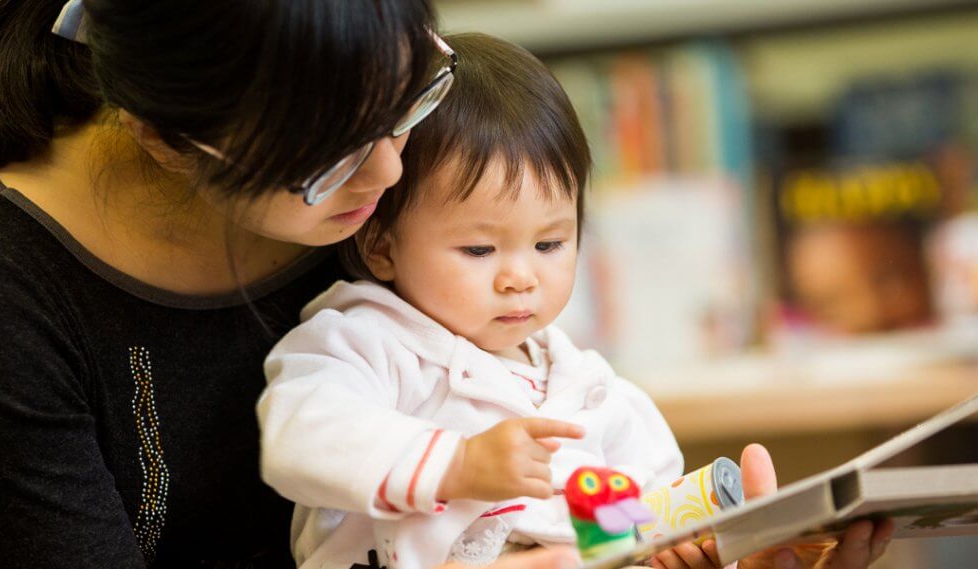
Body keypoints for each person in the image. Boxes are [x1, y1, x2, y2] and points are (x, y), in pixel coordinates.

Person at [0, 0, 890, 568]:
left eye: (410, 96)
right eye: (331, 153)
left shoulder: (430, 220)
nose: (389, 172)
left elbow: (595, 500)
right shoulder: (19, 305)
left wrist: (673, 542)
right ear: (168, 139)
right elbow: (323, 436)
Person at [258, 32, 684, 569]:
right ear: (381, 245)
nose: (520, 277)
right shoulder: (364, 342)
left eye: (550, 243)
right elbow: (301, 436)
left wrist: (677, 545)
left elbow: (649, 510)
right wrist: (455, 465)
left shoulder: (586, 388)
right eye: (480, 249)